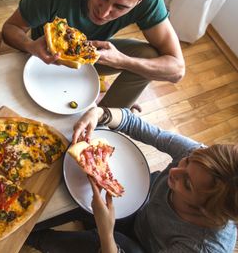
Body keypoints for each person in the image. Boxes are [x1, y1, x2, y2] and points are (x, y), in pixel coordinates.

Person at [26, 106, 238, 253]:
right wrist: (99, 113)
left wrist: (106, 233)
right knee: (77, 192)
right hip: (138, 206)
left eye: (187, 184)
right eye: (186, 161)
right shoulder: (202, 159)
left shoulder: (203, 248)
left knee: (97, 241)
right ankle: (30, 223)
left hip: (141, 248)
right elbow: (136, 125)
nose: (174, 172)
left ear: (207, 211)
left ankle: (34, 238)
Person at [2, 0, 185, 108]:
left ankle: (105, 119)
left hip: (94, 59)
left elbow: (177, 71)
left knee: (149, 55)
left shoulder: (150, 0)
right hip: (46, 58)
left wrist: (123, 61)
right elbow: (11, 28)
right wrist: (31, 45)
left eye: (120, 7)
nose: (104, 12)